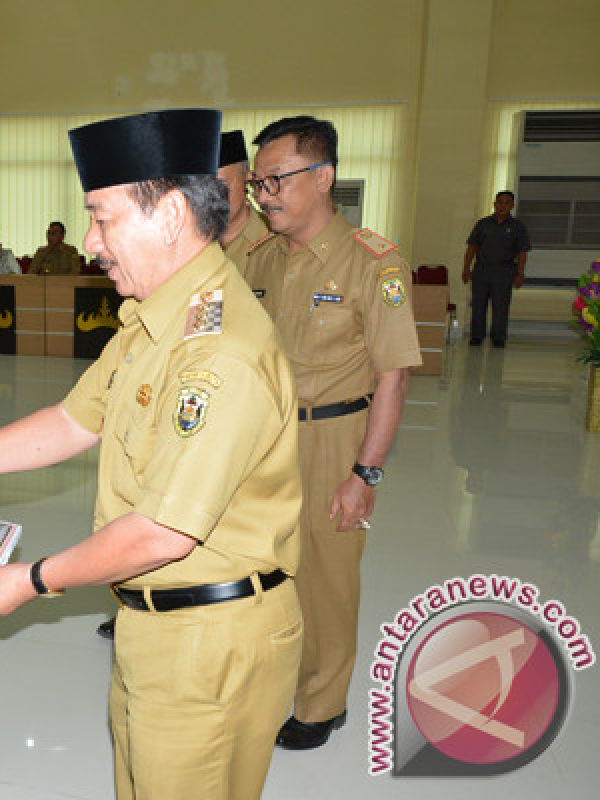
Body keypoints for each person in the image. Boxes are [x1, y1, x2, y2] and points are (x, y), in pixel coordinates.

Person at [0, 108, 305, 800]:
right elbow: (72, 420)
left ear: (173, 214)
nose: (91, 240)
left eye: (103, 217)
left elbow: (162, 530)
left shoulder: (219, 354)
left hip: (210, 646)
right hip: (156, 630)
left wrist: (31, 581)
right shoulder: (154, 316)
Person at [243, 115, 421, 751]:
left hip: (334, 438)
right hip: (264, 440)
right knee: (267, 569)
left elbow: (393, 378)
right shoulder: (260, 257)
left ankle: (322, 703)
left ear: (323, 178)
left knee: (327, 578)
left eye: (276, 180)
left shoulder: (374, 261)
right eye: (258, 184)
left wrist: (364, 474)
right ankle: (274, 680)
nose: (265, 194)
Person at [462, 190, 531, 347]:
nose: (502, 206)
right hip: (482, 270)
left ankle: (498, 337)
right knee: (478, 304)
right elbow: (472, 247)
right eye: (500, 202)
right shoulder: (483, 224)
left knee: (501, 306)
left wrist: (520, 273)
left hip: (504, 272)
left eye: (507, 203)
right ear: (494, 204)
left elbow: (522, 252)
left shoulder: (517, 227)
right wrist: (466, 268)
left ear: (512, 205)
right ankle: (476, 336)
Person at [218, 130, 268, 274]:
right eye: (203, 188)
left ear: (248, 179)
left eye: (221, 185)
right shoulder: (188, 242)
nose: (212, 196)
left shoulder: (274, 237)